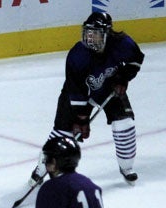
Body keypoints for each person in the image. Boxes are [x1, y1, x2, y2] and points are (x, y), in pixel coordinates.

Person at [29, 11, 144, 187]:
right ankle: (40, 170)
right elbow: (75, 90)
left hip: (108, 88)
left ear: (108, 33)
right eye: (88, 33)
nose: (90, 38)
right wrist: (81, 119)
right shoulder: (77, 55)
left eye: (95, 33)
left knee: (125, 124)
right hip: (77, 95)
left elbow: (136, 60)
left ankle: (126, 167)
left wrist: (122, 78)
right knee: (62, 134)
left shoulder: (122, 43)